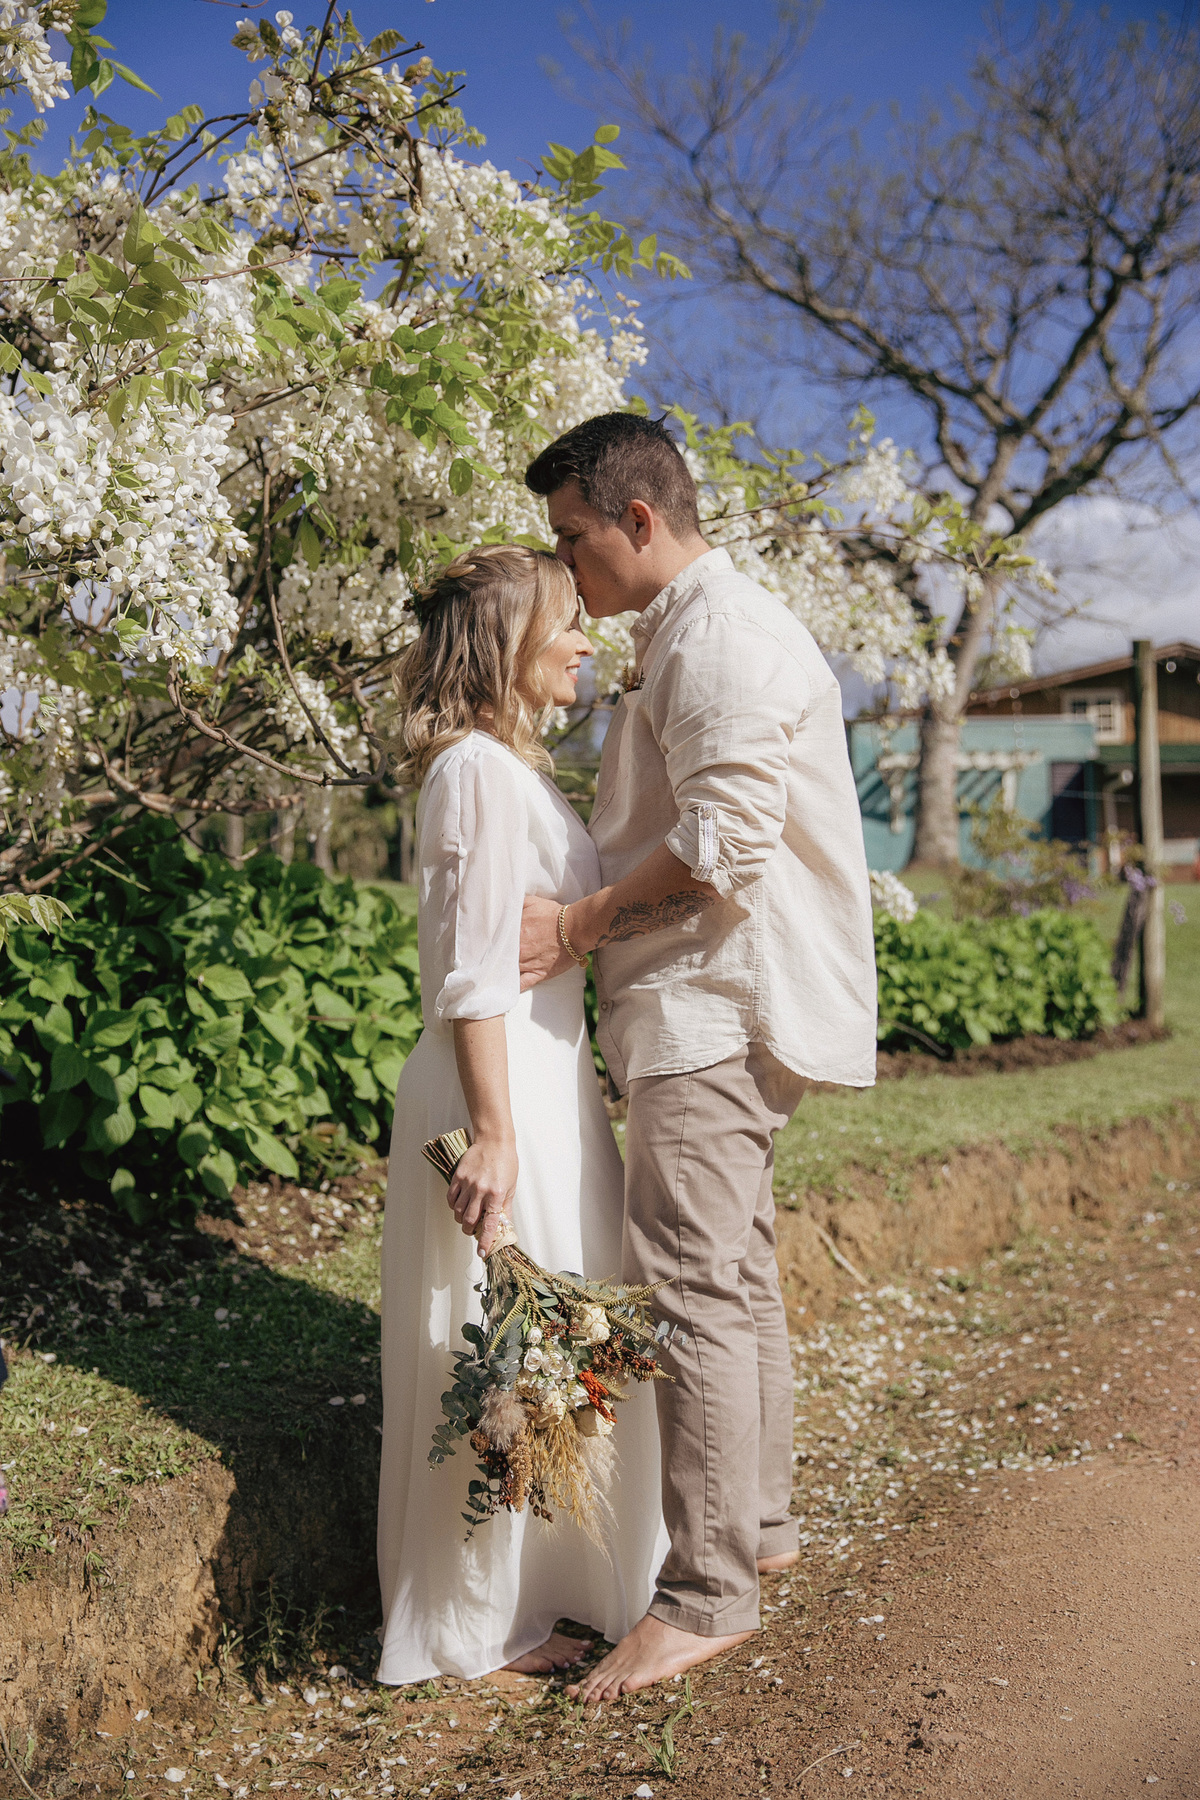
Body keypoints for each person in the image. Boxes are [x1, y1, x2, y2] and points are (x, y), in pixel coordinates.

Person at [519, 413, 877, 1702]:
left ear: (638, 522)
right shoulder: (689, 631)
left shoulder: (718, 637)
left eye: (573, 539)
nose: (567, 572)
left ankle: (706, 1590)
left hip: (713, 1006)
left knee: (690, 1289)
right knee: (735, 1271)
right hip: (712, 1003)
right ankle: (760, 1530)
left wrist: (573, 926)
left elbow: (725, 842)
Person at [376, 544, 669, 1685]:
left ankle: (551, 1586)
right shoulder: (473, 775)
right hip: (497, 1091)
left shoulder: (512, 769)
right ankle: (466, 1626)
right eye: (566, 623)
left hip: (550, 1082)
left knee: (544, 1343)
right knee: (488, 1341)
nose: (588, 639)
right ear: (506, 644)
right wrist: (494, 1133)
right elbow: (472, 973)